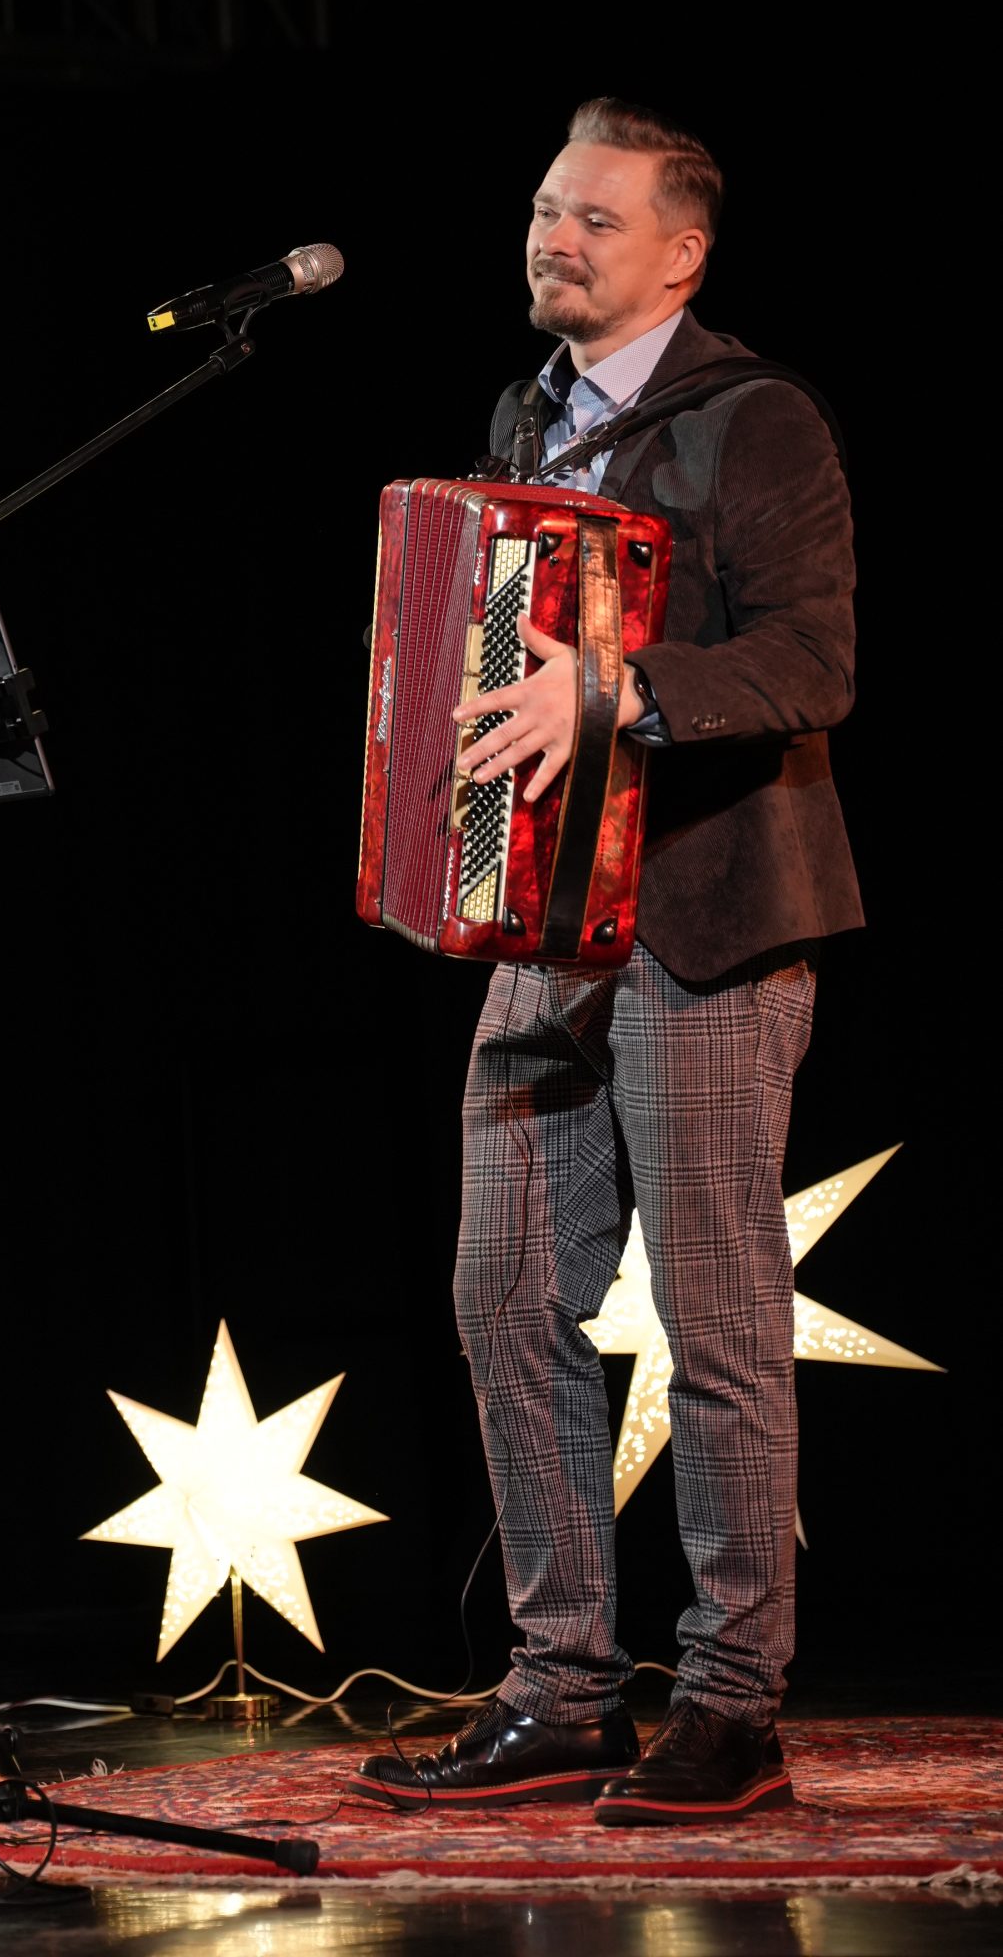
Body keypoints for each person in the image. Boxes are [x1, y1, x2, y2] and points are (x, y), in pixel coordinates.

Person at [355, 97, 861, 1825]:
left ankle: (731, 1703)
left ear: (681, 255)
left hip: (710, 919)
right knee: (502, 1291)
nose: (552, 239)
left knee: (714, 1319)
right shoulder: (524, 419)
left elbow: (813, 662)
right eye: (543, 210)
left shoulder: (755, 418)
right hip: (542, 924)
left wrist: (620, 692)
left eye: (593, 219)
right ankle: (563, 1688)